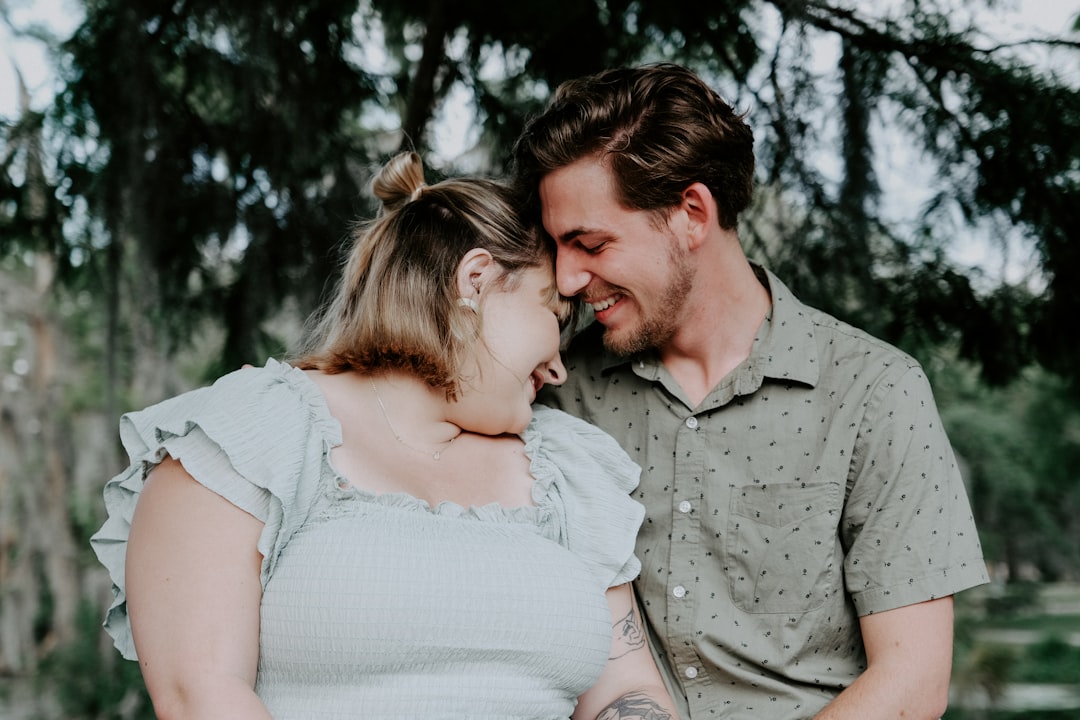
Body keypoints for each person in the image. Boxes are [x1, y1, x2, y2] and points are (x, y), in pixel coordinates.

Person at [90, 151, 679, 720]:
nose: (559, 368)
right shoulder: (251, 435)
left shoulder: (568, 464)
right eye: (553, 312)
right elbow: (201, 696)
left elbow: (622, 692)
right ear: (475, 279)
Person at [512, 63, 989, 719]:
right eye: (556, 247)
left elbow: (911, 687)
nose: (566, 278)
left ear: (692, 213)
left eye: (589, 243)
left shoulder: (874, 391)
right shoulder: (557, 394)